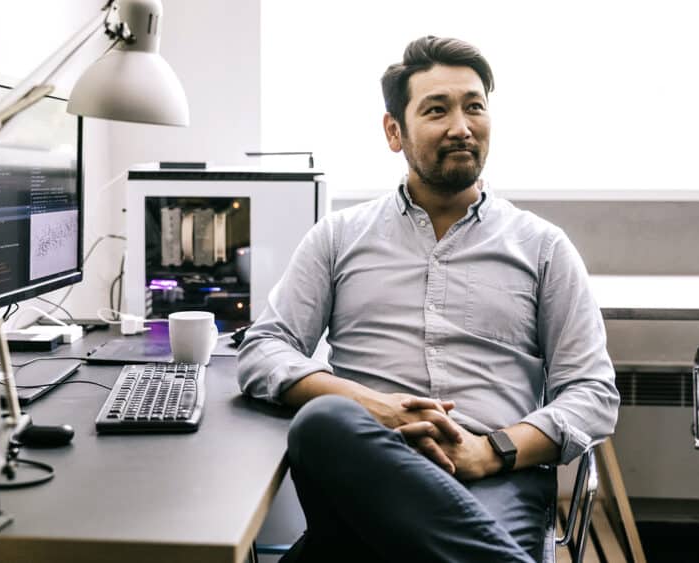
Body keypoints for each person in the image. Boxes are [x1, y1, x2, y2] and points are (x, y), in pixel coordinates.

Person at [237, 35, 619, 562]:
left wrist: (491, 451)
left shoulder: (543, 247)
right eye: (437, 110)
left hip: (494, 479)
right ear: (395, 131)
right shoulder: (338, 237)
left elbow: (592, 393)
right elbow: (263, 349)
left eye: (475, 107)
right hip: (366, 468)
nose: (461, 127)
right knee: (324, 423)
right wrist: (373, 408)